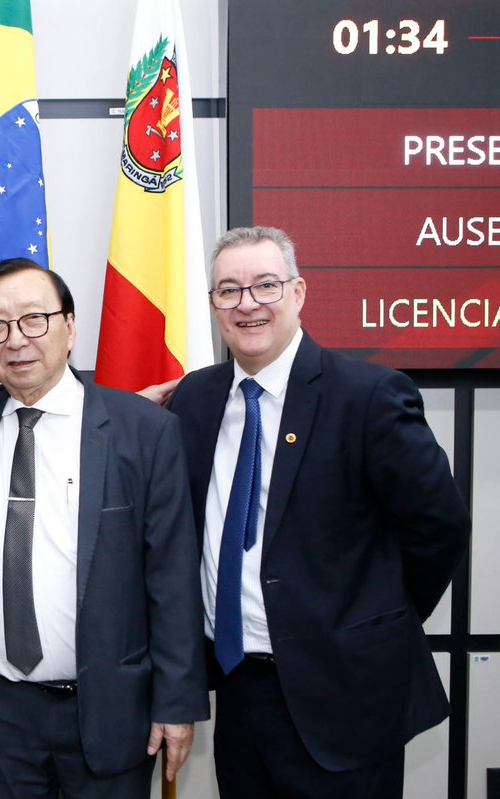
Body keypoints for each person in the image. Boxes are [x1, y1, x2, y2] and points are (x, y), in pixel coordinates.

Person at [168, 226, 470, 798]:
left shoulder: (369, 396)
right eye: (228, 291)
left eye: (265, 285)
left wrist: (372, 616)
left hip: (345, 696)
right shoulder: (195, 400)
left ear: (300, 293)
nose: (247, 303)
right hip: (237, 688)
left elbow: (440, 527)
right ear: (212, 306)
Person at [0, 258, 210, 798]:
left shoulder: (143, 432)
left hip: (112, 706)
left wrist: (177, 702)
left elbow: (173, 579)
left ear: (70, 328)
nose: (16, 339)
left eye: (34, 319)